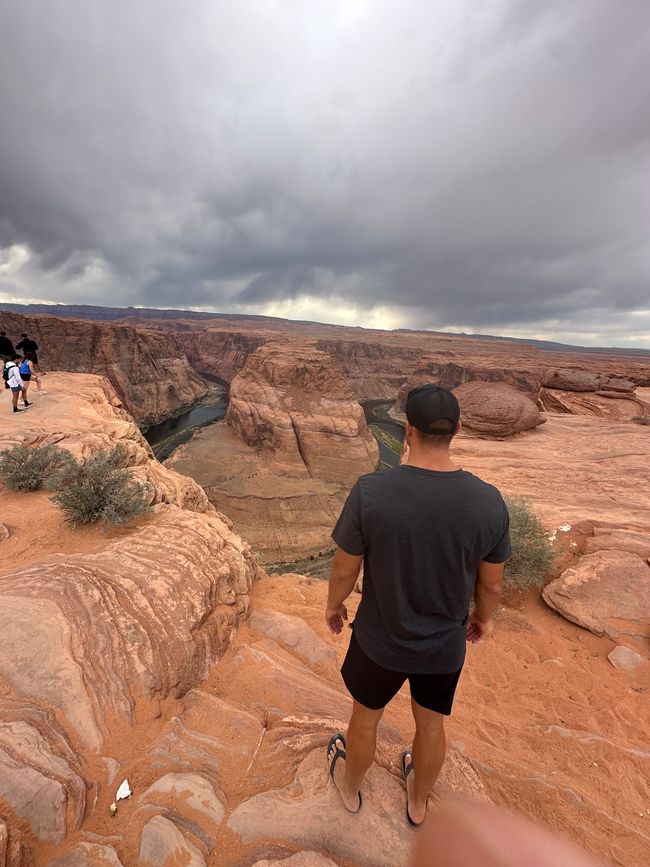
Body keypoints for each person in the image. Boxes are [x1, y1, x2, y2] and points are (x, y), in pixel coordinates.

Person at [325, 384, 511, 826]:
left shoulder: (372, 491)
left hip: (377, 640)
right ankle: (417, 803)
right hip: (443, 646)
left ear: (407, 430)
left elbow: (344, 569)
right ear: (458, 430)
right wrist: (482, 619)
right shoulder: (489, 502)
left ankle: (350, 791)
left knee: (365, 718)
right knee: (430, 725)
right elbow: (492, 584)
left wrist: (334, 606)